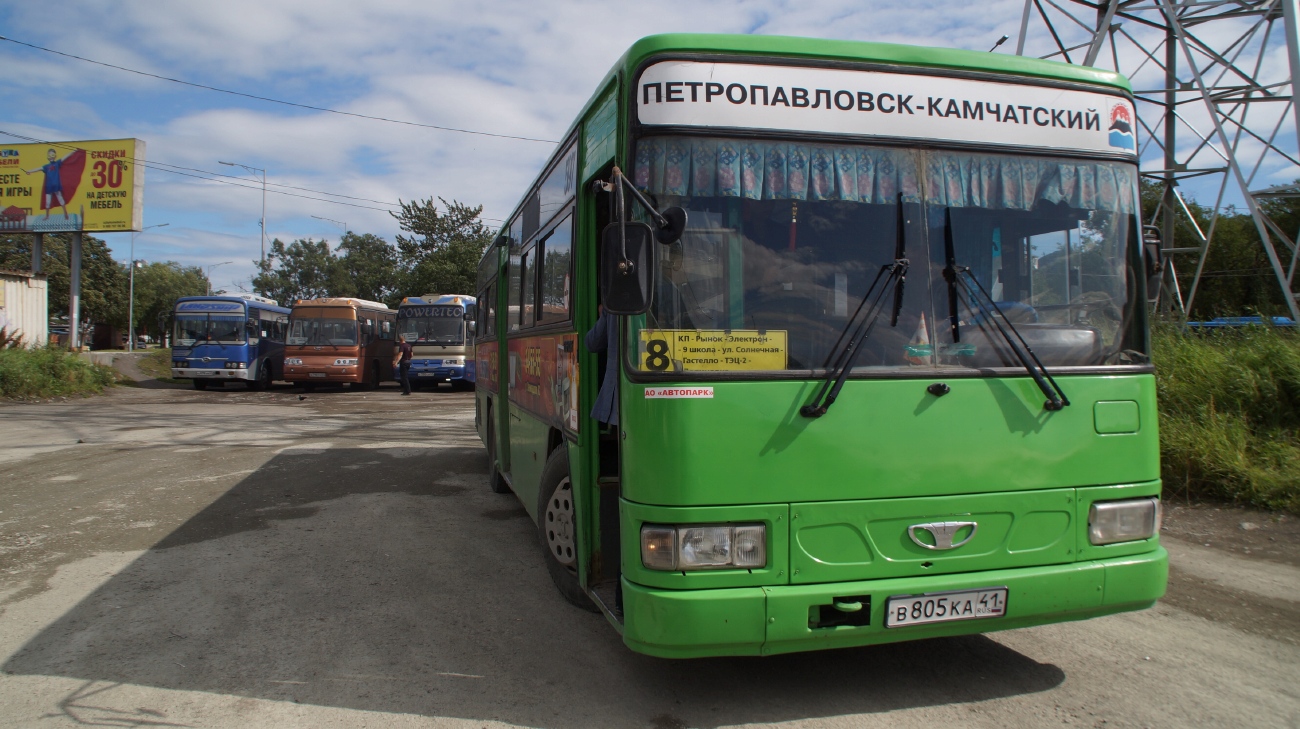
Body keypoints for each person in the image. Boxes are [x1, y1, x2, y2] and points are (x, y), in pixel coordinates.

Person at [585, 305, 618, 425]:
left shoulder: (614, 299)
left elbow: (593, 343)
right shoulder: (669, 291)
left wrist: (603, 316)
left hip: (620, 397)